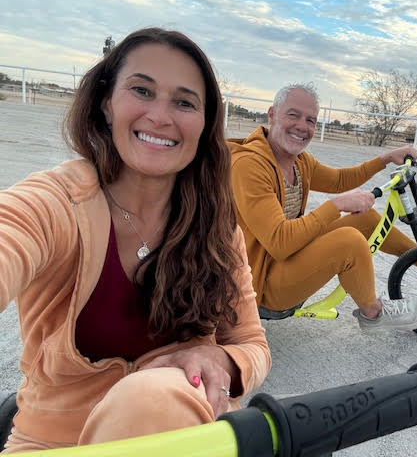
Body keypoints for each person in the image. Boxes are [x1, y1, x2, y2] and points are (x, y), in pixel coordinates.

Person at [0, 28, 270, 453]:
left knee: (155, 399)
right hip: (51, 443)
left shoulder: (217, 227)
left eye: (184, 102)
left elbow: (252, 343)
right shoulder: (57, 203)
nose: (161, 116)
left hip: (180, 438)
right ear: (107, 103)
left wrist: (224, 360)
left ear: (204, 123)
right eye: (142, 90)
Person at [229, 83, 417, 333]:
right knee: (348, 242)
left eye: (310, 120)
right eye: (293, 115)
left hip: (280, 263)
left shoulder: (297, 161)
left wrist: (384, 159)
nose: (302, 126)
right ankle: (374, 313)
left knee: (365, 218)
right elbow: (279, 242)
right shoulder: (250, 166)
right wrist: (336, 206)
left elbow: (339, 179)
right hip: (258, 286)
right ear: (272, 115)